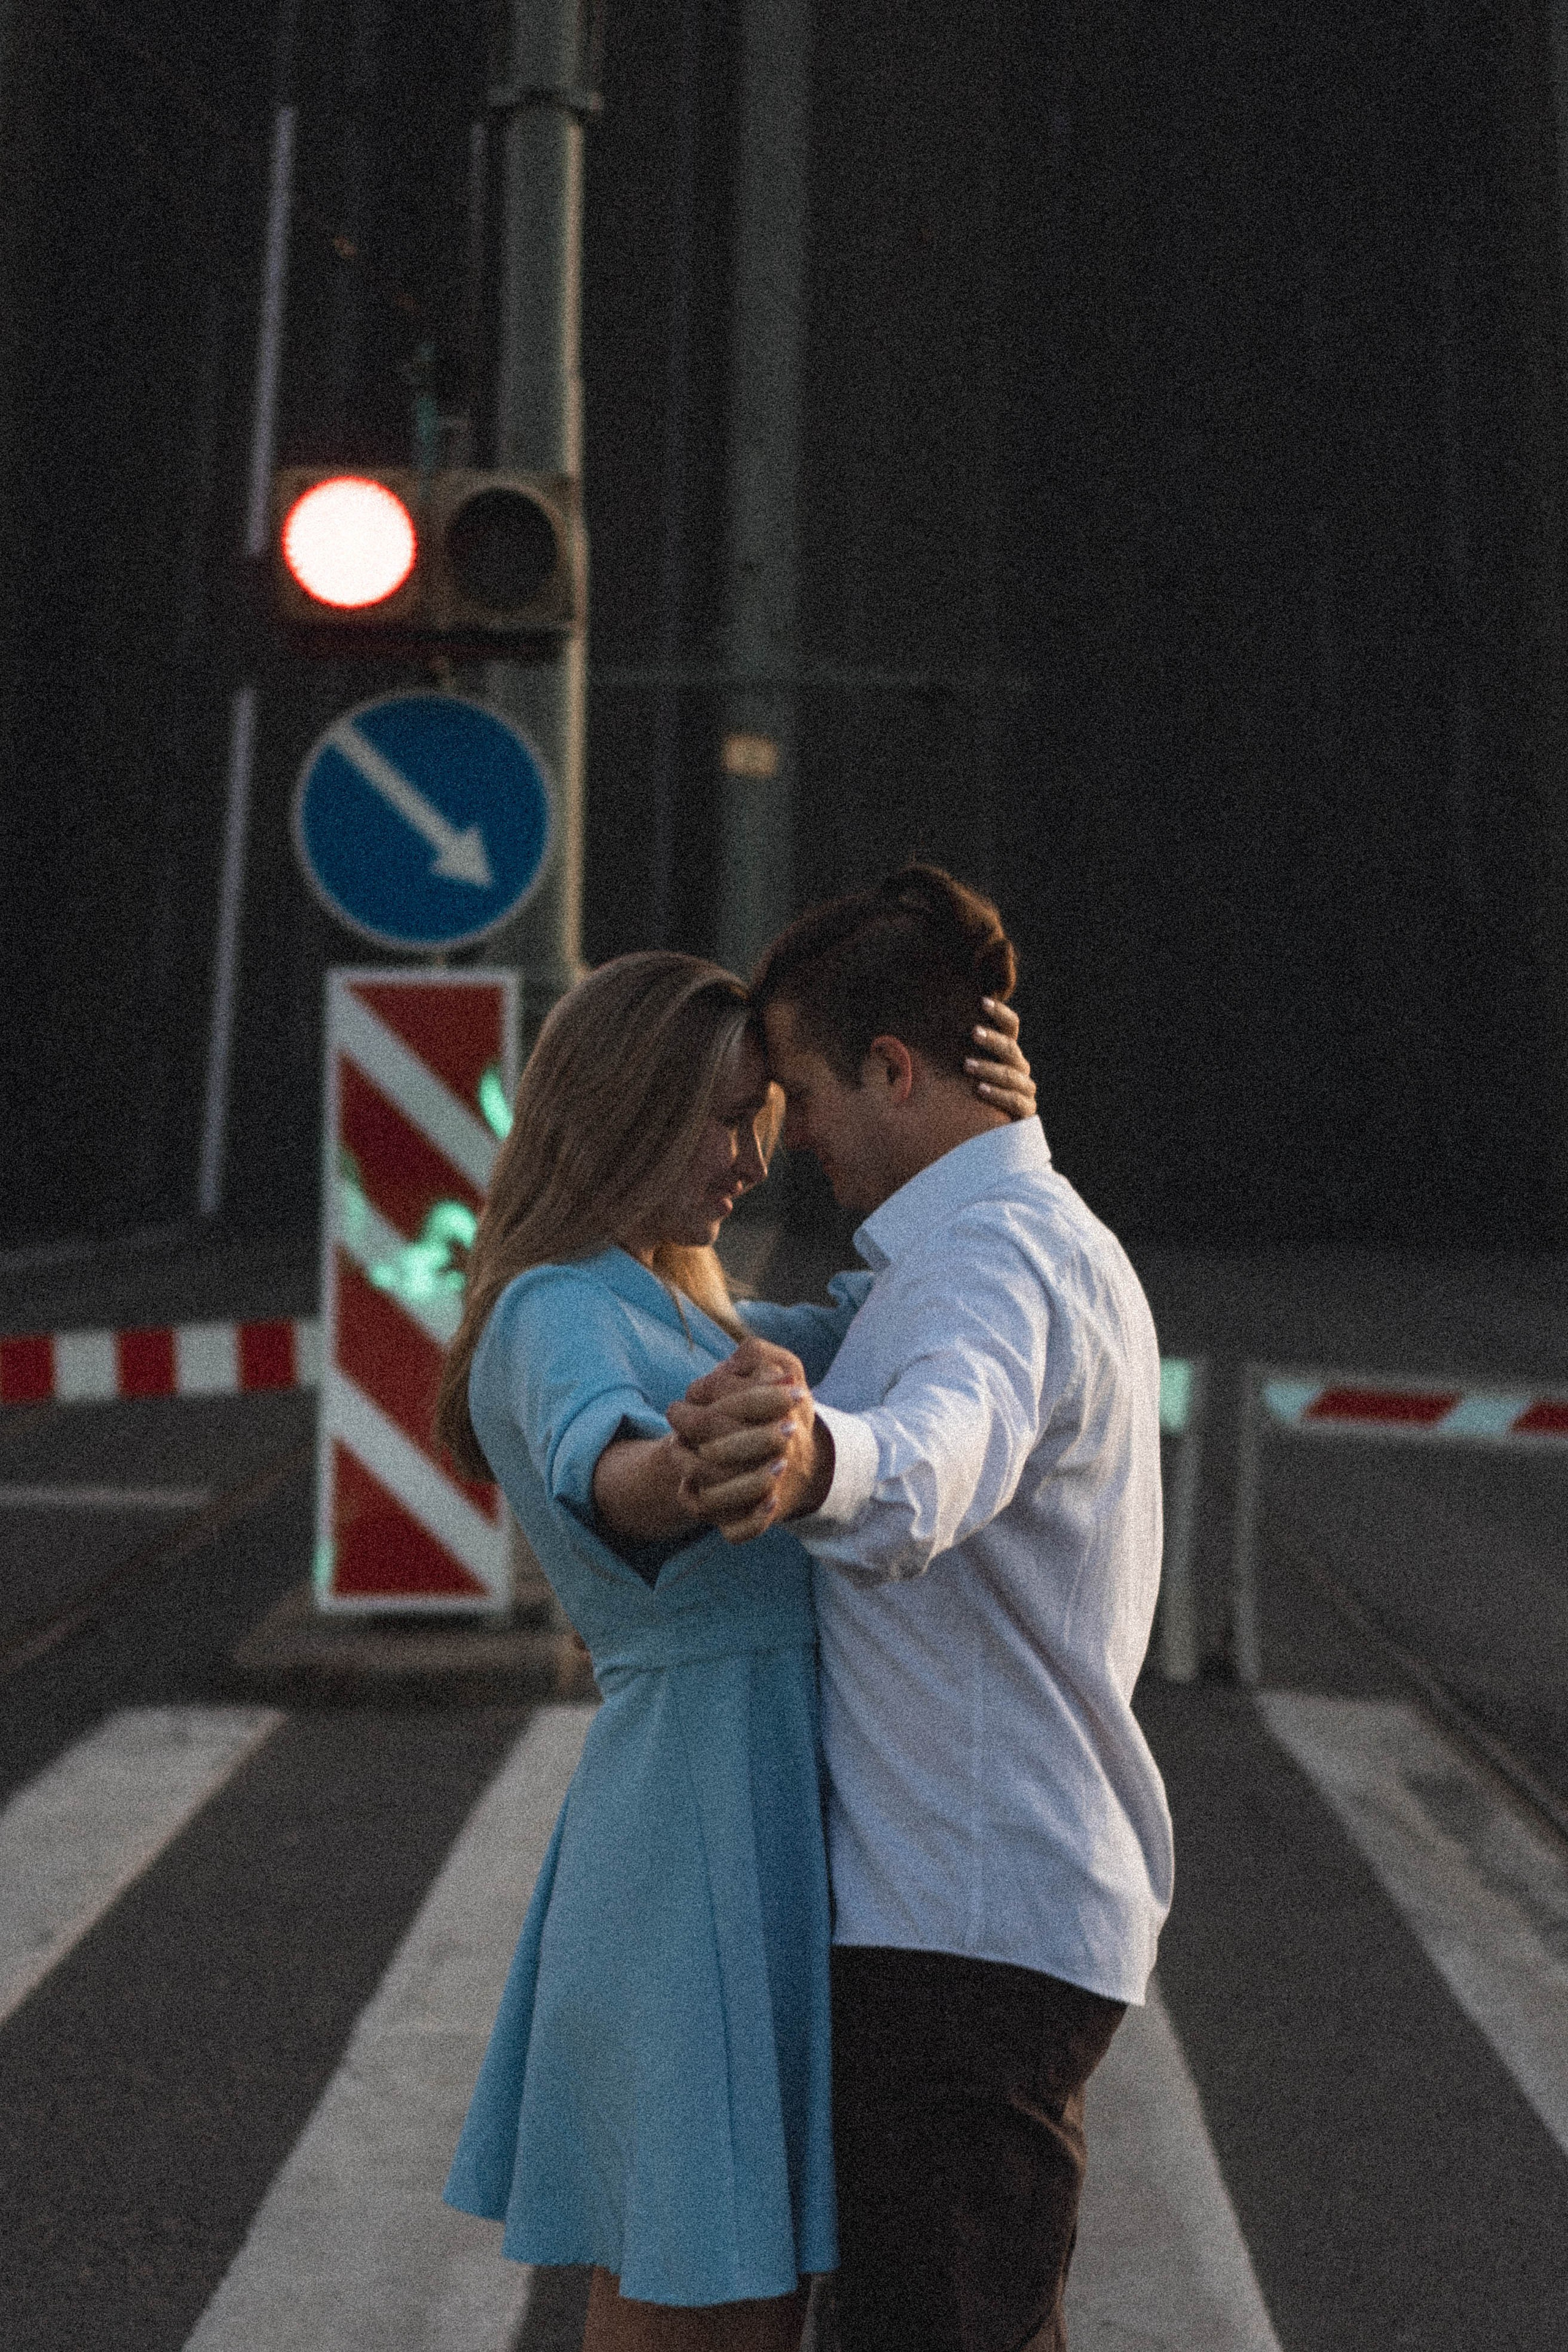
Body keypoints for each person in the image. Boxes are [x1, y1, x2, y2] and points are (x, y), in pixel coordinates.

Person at [434, 947, 1038, 2352]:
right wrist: (697, 1470)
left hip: (758, 1828)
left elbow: (910, 1307)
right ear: (615, 1112)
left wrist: (994, 1140)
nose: (750, 1158)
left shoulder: (699, 1314)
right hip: (692, 1832)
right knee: (701, 2296)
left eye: (763, 1116)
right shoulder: (552, 1308)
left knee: (739, 2299)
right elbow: (607, 1464)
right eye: (717, 1119)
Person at [668, 866, 1175, 2352]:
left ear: (895, 1070)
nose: (788, 1142)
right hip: (974, 1928)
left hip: (960, 1939)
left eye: (806, 1096)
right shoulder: (992, 1237)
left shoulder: (990, 1264)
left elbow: (945, 1445)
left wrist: (820, 1456)